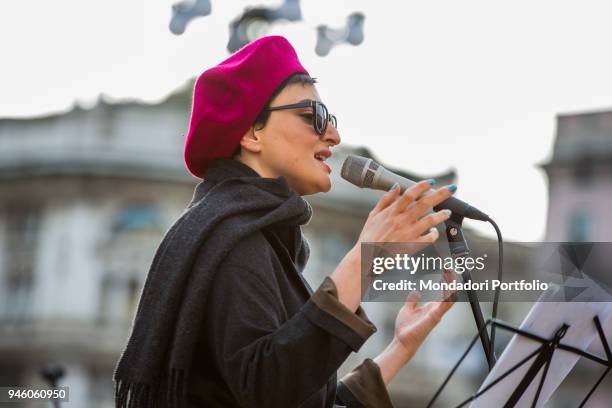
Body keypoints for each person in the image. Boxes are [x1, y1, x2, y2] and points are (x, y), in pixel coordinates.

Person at [114, 35, 456, 408]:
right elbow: (269, 389)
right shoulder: (231, 238)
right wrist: (364, 260)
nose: (334, 135)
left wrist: (401, 347)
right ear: (250, 132)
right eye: (314, 117)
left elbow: (298, 397)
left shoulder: (256, 237)